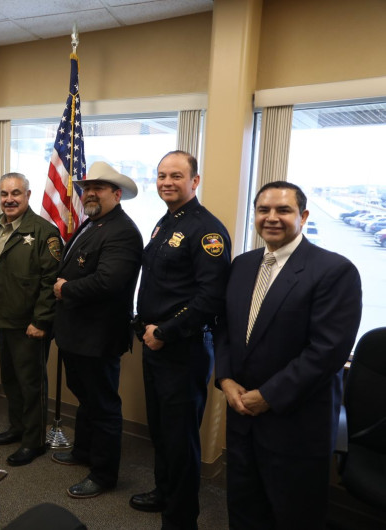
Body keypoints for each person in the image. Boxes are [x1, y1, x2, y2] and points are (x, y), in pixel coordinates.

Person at [215, 181, 362, 528]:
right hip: (241, 417)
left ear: (304, 215)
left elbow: (326, 352)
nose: (272, 218)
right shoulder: (242, 265)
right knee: (243, 508)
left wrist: (267, 396)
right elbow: (224, 328)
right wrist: (225, 378)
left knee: (293, 516)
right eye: (264, 210)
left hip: (295, 424)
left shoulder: (334, 271)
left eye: (283, 210)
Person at [131, 150, 231, 528]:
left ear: (195, 181)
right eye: (161, 176)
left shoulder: (206, 230)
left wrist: (166, 332)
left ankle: (181, 516)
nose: (167, 182)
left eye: (176, 175)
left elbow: (210, 299)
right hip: (155, 342)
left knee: (179, 436)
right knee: (160, 428)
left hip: (183, 348)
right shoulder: (165, 221)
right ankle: (164, 491)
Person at [51, 161, 143, 498]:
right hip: (76, 334)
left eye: (98, 188)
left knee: (103, 405)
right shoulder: (92, 223)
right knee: (86, 399)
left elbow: (110, 282)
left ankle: (103, 474)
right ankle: (83, 452)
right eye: (87, 187)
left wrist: (65, 290)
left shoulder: (122, 231)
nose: (89, 192)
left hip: (98, 337)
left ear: (116, 194)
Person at [0, 172, 62, 466]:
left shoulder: (44, 231)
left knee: (31, 384)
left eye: (16, 193)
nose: (9, 199)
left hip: (29, 323)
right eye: (4, 194)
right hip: (4, 316)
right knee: (11, 380)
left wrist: (41, 321)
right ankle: (17, 428)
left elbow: (50, 281)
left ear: (28, 196)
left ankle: (34, 441)